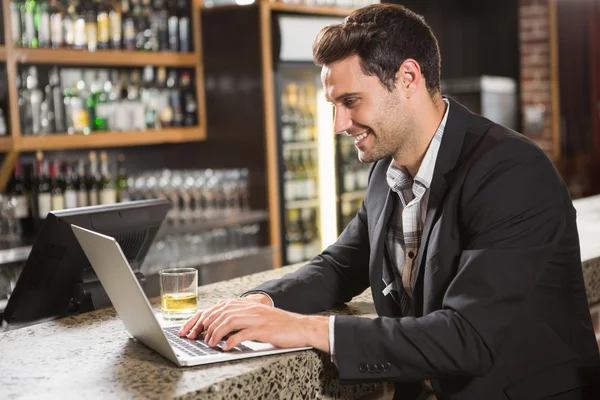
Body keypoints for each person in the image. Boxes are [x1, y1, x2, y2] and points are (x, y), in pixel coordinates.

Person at [179, 4, 600, 399]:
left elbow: (468, 337)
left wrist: (306, 329)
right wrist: (259, 303)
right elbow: (341, 265)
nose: (338, 124)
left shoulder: (510, 171)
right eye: (334, 105)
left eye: (350, 102)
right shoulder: (388, 169)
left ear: (408, 79)